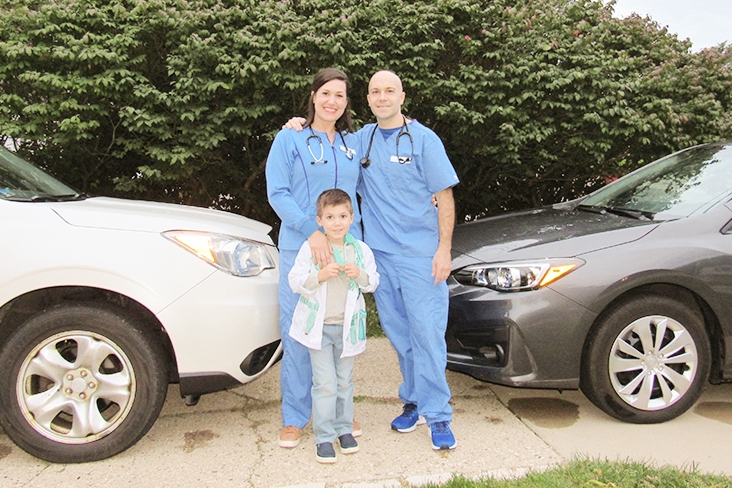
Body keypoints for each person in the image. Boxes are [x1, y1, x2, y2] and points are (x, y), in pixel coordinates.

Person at [285, 70, 460, 450]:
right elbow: (327, 143)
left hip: (421, 256)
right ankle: (413, 401)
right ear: (367, 99)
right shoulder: (359, 141)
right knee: (400, 336)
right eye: (375, 92)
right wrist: (299, 125)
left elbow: (444, 197)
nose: (382, 97)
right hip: (380, 256)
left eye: (390, 91)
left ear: (402, 96)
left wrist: (444, 249)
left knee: (428, 335)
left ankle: (439, 415)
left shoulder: (423, 139)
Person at [266, 68, 362, 448]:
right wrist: (311, 230)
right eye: (326, 93)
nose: (332, 101)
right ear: (313, 96)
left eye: (339, 95)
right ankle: (295, 417)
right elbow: (278, 191)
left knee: (339, 333)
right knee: (300, 333)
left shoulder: (354, 144)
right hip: (301, 247)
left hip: (342, 253)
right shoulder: (290, 138)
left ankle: (339, 413)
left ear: (346, 102)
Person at [288, 188, 379, 463]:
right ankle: (324, 436)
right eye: (330, 217)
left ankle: (344, 428)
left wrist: (359, 274)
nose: (337, 222)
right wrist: (319, 275)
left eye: (342, 216)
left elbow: (372, 282)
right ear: (319, 220)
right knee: (325, 383)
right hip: (320, 328)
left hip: (347, 329)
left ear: (352, 218)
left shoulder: (360, 250)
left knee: (344, 382)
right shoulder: (312, 248)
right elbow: (295, 281)